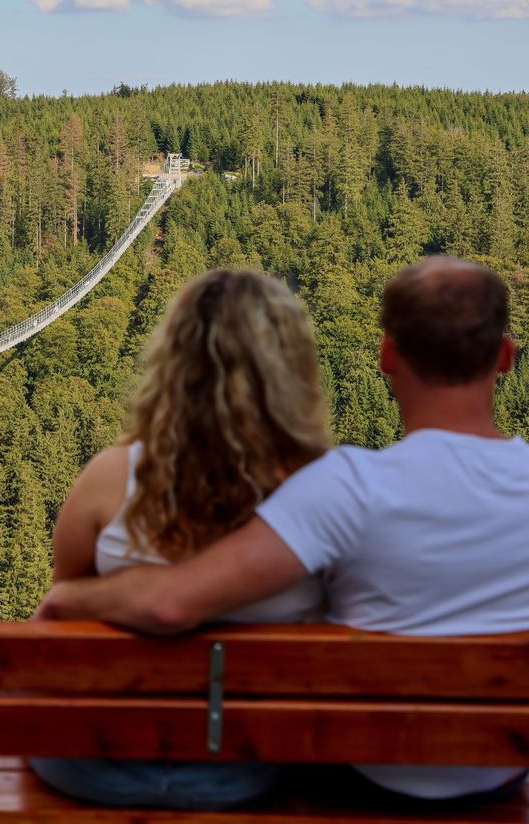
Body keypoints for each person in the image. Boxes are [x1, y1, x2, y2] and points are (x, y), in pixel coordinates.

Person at [37, 256, 529, 805]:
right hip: (488, 773)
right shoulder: (320, 479)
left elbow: (165, 604)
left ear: (388, 355)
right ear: (506, 357)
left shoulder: (347, 488)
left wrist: (67, 601)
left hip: (109, 762)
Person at [30, 268, 331, 811]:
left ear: (170, 367)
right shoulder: (326, 493)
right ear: (290, 372)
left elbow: (63, 621)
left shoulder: (108, 479)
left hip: (97, 762)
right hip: (253, 765)